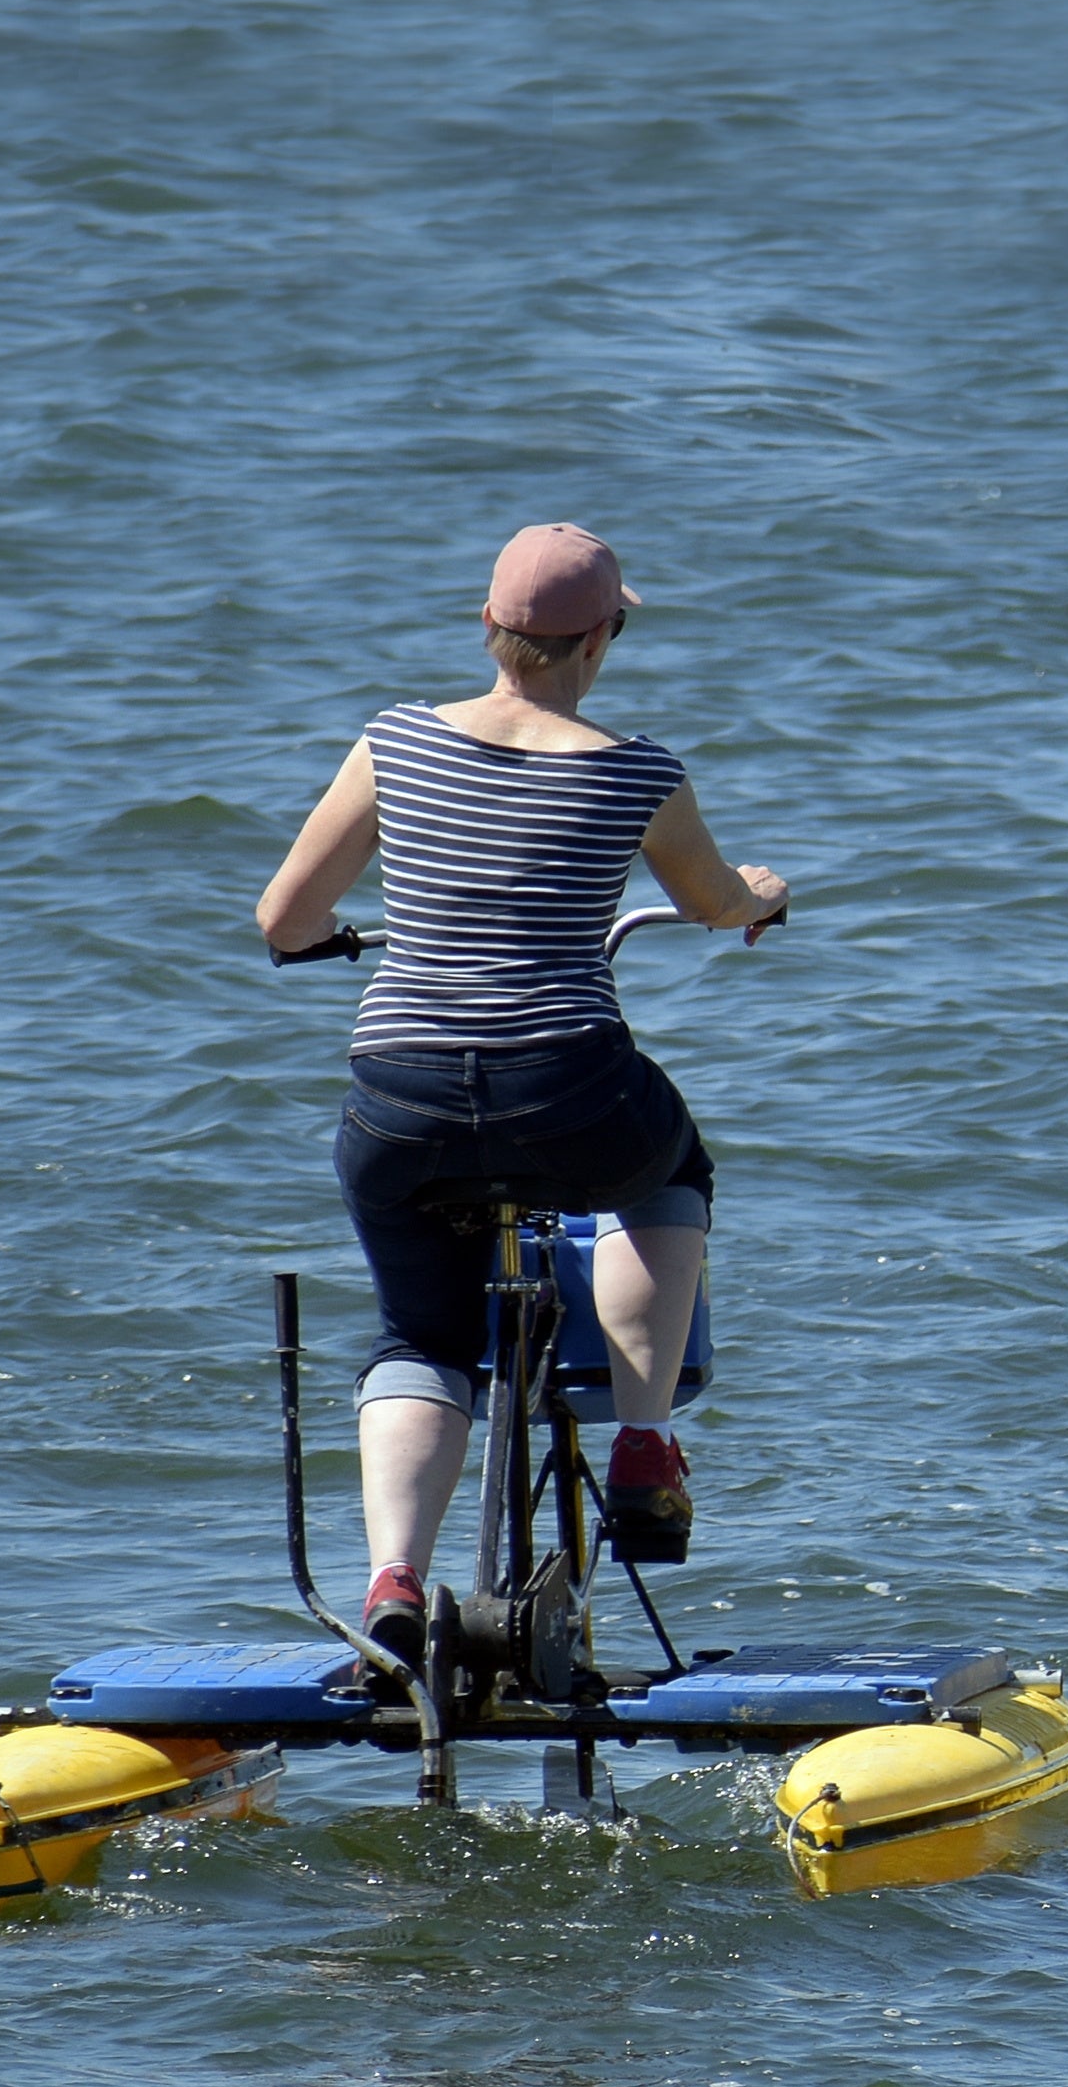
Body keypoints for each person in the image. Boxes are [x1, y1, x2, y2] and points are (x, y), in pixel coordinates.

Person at [254, 521, 786, 1664]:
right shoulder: (638, 769)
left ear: (488, 628)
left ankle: (395, 1578)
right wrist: (760, 894)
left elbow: (282, 920)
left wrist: (341, 944)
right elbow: (709, 903)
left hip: (401, 1098)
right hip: (571, 1091)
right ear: (602, 638)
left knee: (420, 1335)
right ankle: (643, 1445)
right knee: (671, 1172)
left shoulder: (393, 742)